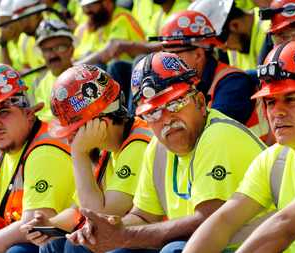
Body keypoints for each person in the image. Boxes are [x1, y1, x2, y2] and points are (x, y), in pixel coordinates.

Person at [66, 52, 266, 253]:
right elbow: (143, 216)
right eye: (153, 113)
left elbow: (207, 223)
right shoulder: (157, 148)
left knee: (174, 249)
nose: (166, 119)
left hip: (252, 247)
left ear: (199, 101)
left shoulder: (219, 135)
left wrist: (124, 236)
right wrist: (106, 230)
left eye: (175, 103)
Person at [183, 41, 295, 253]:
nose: (277, 112)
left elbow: (284, 225)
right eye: (270, 102)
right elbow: (223, 221)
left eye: (291, 100)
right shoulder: (273, 160)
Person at [20, 64, 152, 253]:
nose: (69, 138)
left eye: (74, 130)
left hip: (150, 241)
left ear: (101, 121)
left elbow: (101, 216)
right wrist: (49, 225)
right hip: (123, 236)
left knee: (78, 247)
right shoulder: (106, 146)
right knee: (52, 243)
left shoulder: (138, 144)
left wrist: (79, 153)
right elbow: (79, 211)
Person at [0, 63, 75, 253]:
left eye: (3, 112)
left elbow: (33, 227)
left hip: (61, 241)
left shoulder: (45, 151)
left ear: (28, 113)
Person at [154, 9, 270, 141]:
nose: (166, 64)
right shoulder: (192, 86)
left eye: (172, 56)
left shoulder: (233, 84)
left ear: (198, 54)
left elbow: (208, 137)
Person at [189, 0, 270, 70]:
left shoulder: (268, 31)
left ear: (235, 25)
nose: (223, 48)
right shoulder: (235, 47)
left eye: (220, 40)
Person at [33, 19, 75, 122]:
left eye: (60, 47)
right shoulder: (41, 86)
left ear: (71, 49)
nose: (53, 55)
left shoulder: (86, 76)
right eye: (46, 50)